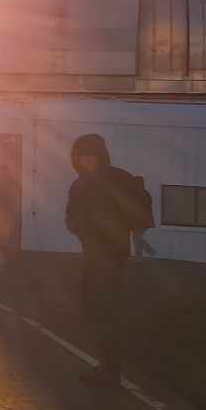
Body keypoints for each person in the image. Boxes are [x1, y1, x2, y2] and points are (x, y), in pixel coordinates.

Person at [64, 133, 153, 390]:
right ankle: (108, 365)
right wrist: (84, 231)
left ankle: (110, 369)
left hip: (112, 256)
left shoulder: (116, 180)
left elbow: (142, 203)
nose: (85, 161)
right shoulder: (81, 185)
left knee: (105, 311)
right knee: (97, 311)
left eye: (89, 155)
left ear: (100, 156)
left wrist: (132, 231)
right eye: (81, 156)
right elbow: (71, 218)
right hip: (95, 255)